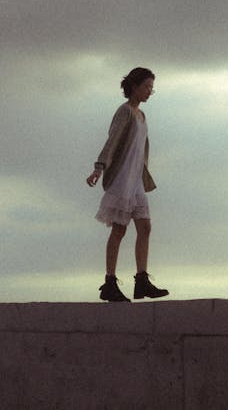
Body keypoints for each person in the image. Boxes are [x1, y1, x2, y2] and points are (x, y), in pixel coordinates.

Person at [86, 67, 169, 302]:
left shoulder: (142, 115)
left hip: (136, 182)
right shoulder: (125, 112)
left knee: (145, 227)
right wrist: (99, 167)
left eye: (152, 88)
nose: (150, 92)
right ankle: (109, 283)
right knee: (119, 230)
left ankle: (141, 280)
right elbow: (112, 140)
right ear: (134, 86)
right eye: (146, 87)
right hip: (123, 179)